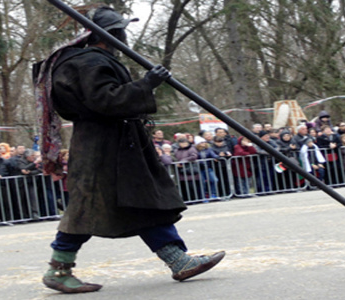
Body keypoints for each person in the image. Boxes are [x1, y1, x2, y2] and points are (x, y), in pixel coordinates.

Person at [34, 5, 224, 294]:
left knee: (142, 200)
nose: (125, 36)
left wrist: (143, 87)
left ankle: (178, 260)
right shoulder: (89, 63)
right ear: (110, 34)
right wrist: (146, 84)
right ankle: (58, 268)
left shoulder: (94, 59)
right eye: (121, 31)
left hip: (117, 143)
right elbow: (106, 101)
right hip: (102, 147)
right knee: (86, 209)